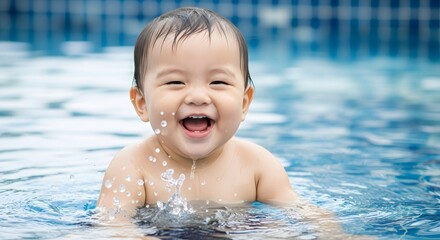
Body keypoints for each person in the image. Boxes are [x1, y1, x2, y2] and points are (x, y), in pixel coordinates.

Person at [96, 7, 368, 239]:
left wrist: (335, 233)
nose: (198, 96)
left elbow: (302, 212)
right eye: (175, 82)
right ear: (142, 103)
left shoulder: (257, 165)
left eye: (218, 82)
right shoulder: (132, 166)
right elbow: (113, 224)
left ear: (244, 103)